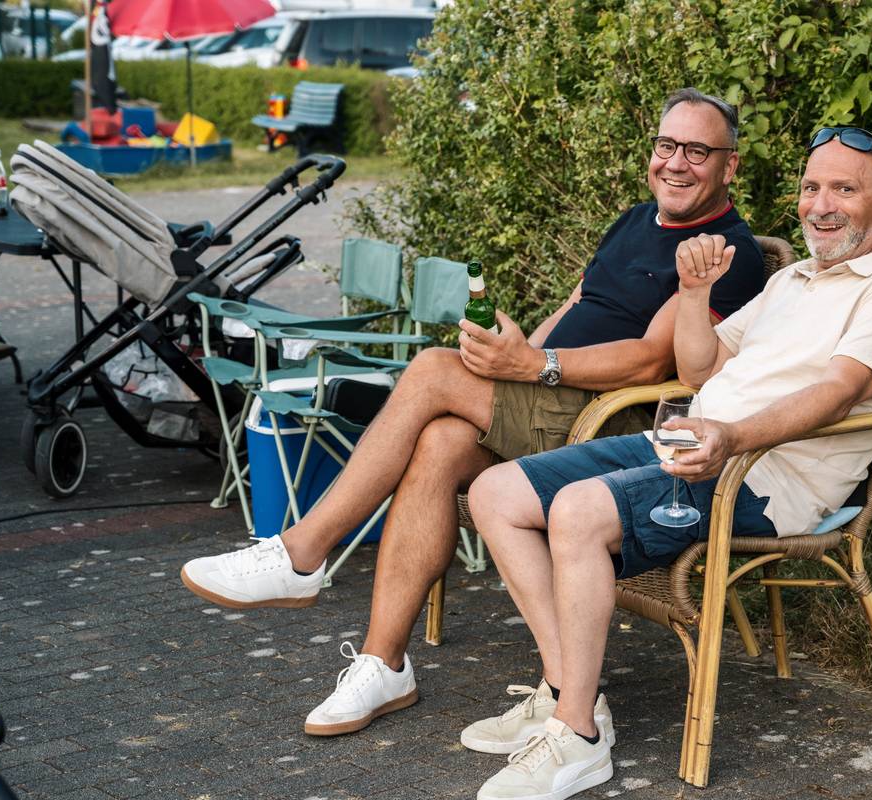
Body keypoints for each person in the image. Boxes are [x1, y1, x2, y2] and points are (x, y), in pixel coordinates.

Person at [180, 88, 767, 736]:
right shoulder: (635, 220)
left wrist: (532, 367)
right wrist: (513, 357)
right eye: (666, 145)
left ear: (729, 166)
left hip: (609, 422)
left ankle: (301, 552)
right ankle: (383, 663)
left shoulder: (726, 250)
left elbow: (651, 362)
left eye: (697, 151)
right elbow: (577, 306)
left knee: (434, 370)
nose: (676, 163)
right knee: (439, 442)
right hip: (550, 396)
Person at [463, 126, 872, 800]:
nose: (821, 205)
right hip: (693, 442)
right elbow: (699, 368)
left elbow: (840, 392)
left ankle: (578, 732)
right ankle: (568, 687)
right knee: (495, 492)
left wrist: (733, 434)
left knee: (577, 510)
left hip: (767, 478)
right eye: (811, 188)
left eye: (843, 189)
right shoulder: (795, 279)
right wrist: (692, 292)